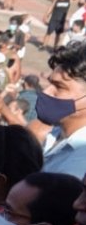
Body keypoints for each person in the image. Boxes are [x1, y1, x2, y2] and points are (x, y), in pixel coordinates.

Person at [39, 41, 86, 177]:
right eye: (50, 83)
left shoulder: (79, 167)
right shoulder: (54, 133)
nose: (46, 92)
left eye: (59, 87)